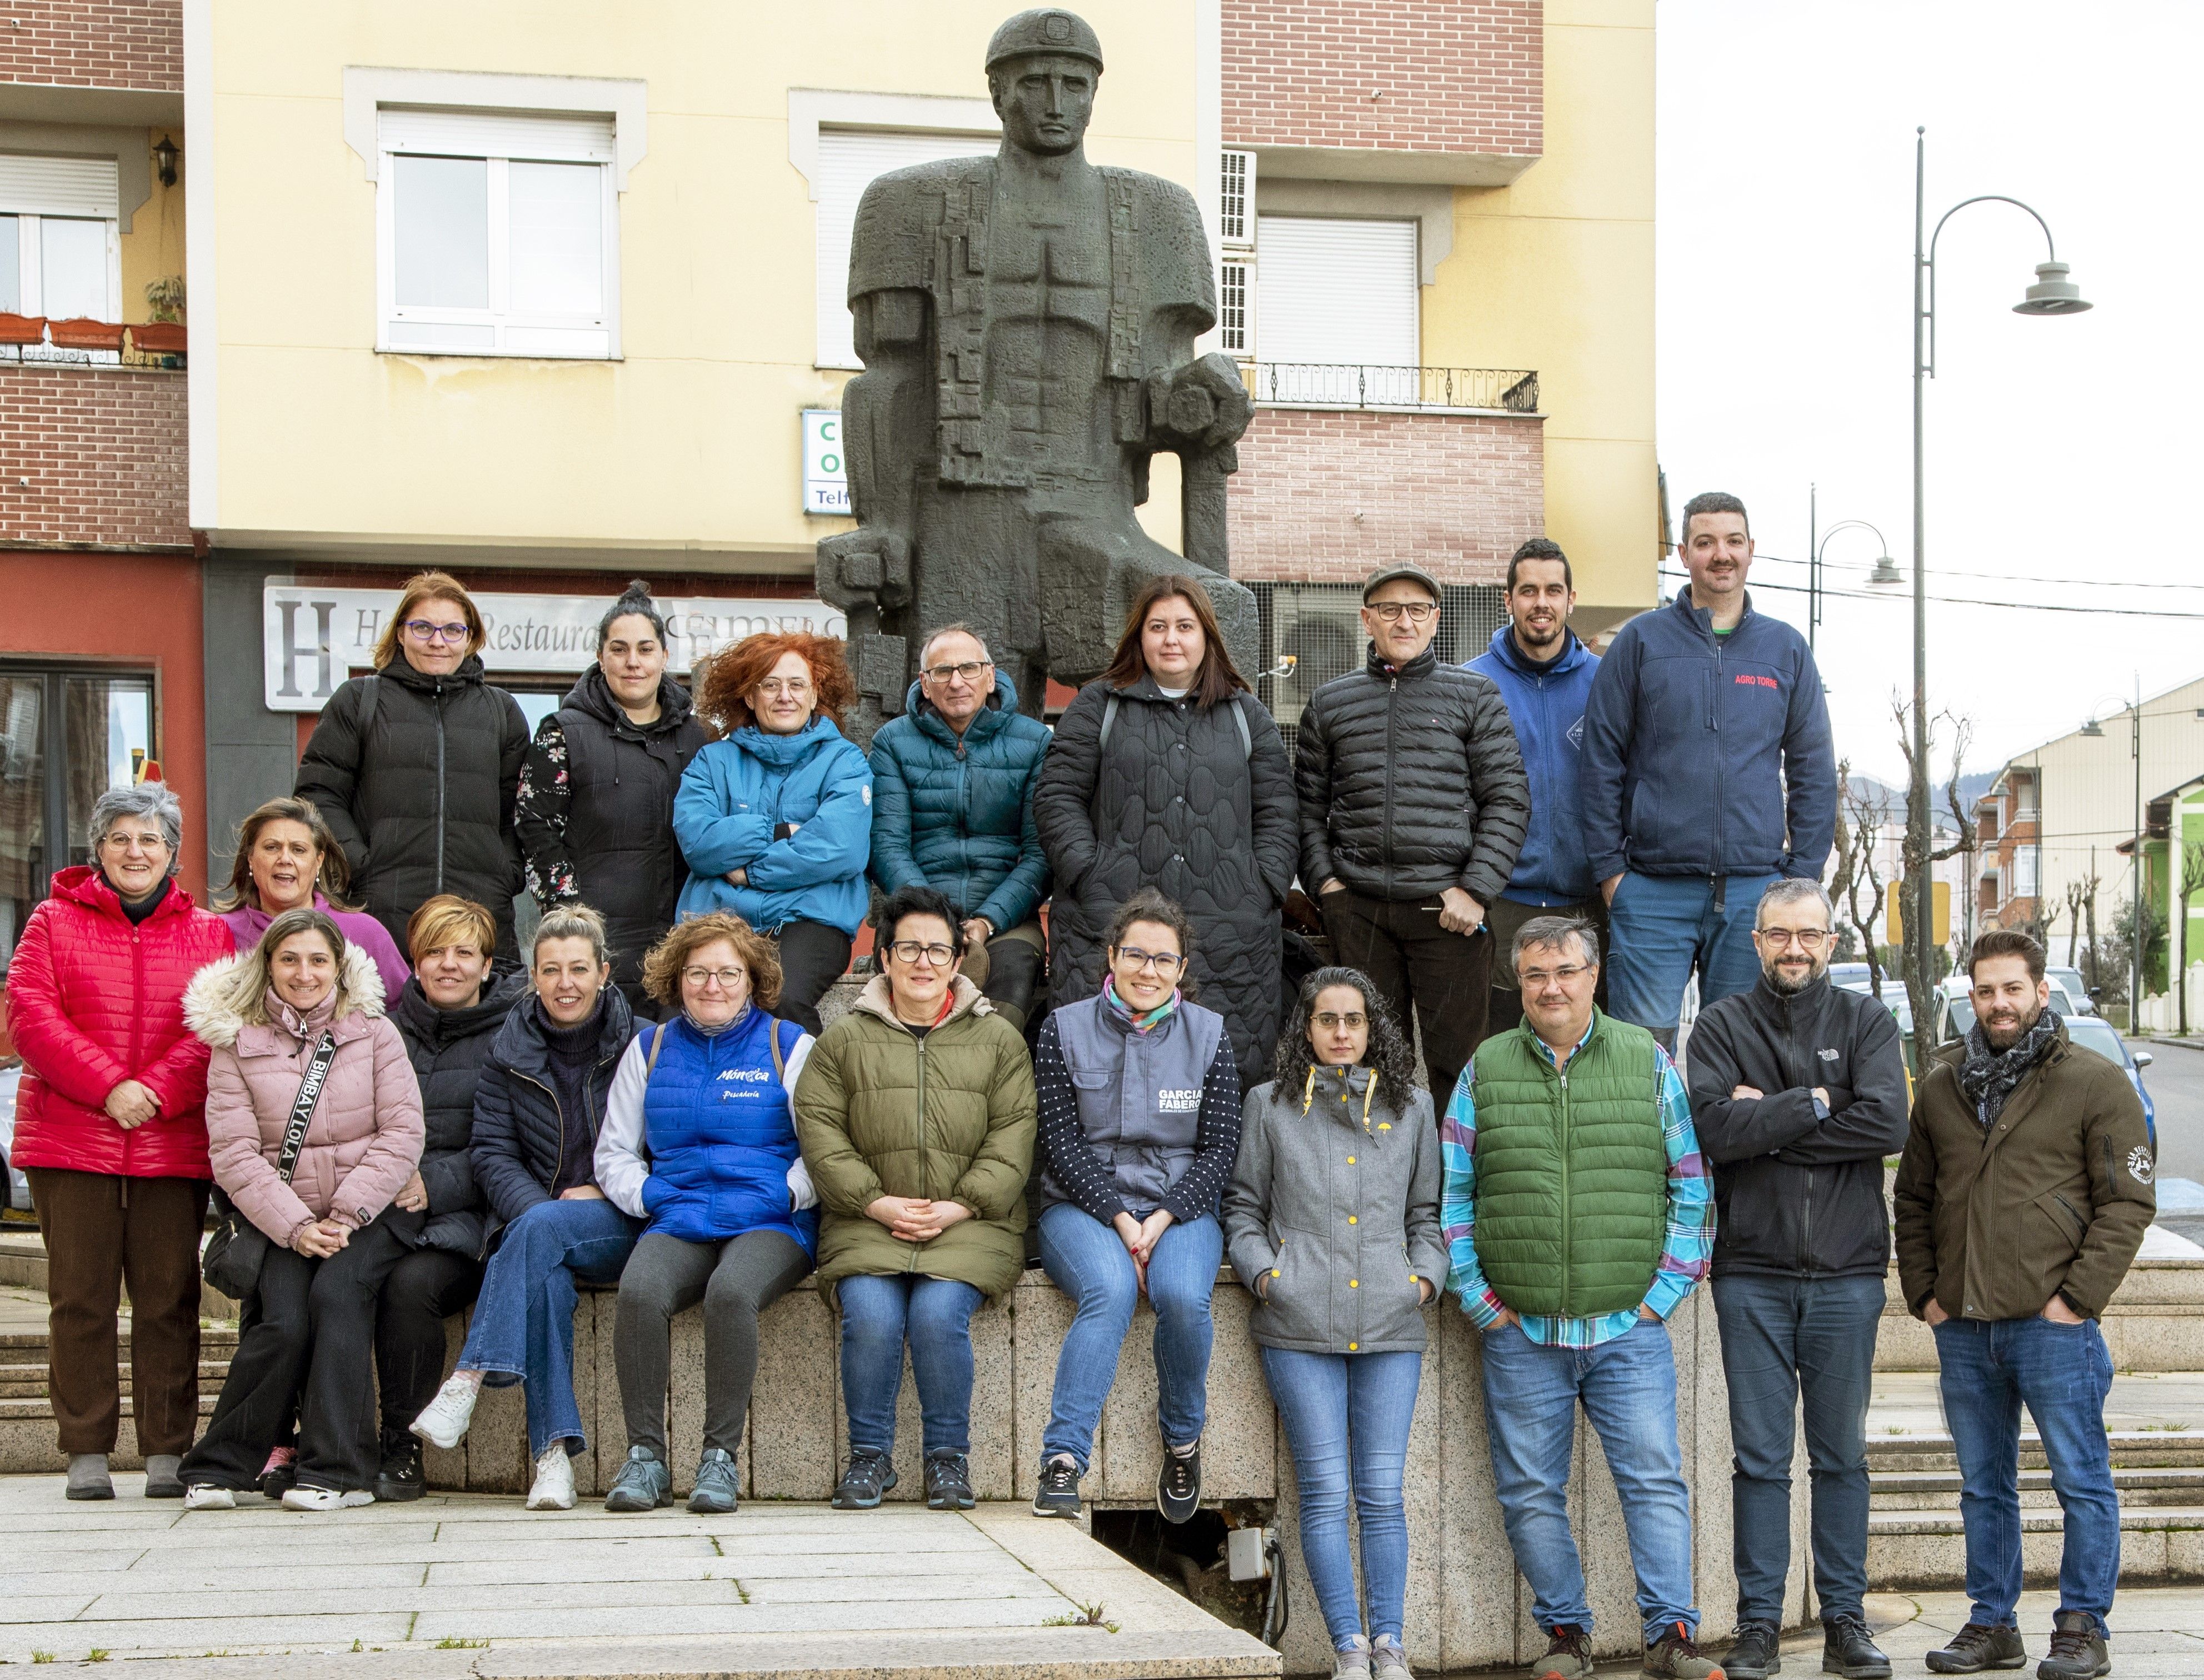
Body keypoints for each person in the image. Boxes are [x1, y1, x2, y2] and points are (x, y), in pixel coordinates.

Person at [1441, 916, 1718, 1680]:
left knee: (1653, 1480)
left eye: (1564, 970)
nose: (1550, 987)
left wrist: (1663, 1294)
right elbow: (1454, 1197)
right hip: (1520, 1330)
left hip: (1626, 1327)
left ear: (1592, 977)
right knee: (1530, 1492)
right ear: (1518, 982)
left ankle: (1671, 1637)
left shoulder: (1644, 1060)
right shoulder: (1486, 1068)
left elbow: (1690, 1185)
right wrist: (1479, 1302)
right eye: (1534, 974)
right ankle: (1565, 1634)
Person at [1895, 929, 2153, 1680]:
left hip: (2052, 1326)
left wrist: (2074, 1300)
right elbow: (1910, 1199)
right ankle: (1990, 1624)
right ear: (1967, 997)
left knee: (2080, 1479)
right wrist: (1924, 1294)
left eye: (2012, 988)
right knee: (1983, 1487)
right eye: (1984, 990)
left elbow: (2127, 1202)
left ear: (2040, 991)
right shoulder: (1941, 1085)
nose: (1998, 1003)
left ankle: (2081, 1628)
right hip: (1963, 1328)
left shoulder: (2093, 1081)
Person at [1683, 880, 1910, 1680]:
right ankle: (1756, 1627)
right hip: (1749, 1275)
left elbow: (1885, 1124)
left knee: (1840, 1455)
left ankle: (1843, 1620)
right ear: (1754, 941)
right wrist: (1819, 1101)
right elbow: (1712, 1129)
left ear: (1830, 941)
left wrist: (1770, 1121)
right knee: (1758, 1459)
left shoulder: (1865, 1021)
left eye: (1808, 935)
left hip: (1847, 1275)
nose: (1794, 949)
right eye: (1779, 935)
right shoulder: (1719, 1025)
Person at [4, 783, 234, 1501]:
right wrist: (110, 1088)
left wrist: (157, 1090)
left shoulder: (209, 934)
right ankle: (86, 1451)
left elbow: (215, 1029)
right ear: (98, 849)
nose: (136, 852)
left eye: (151, 839)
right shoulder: (50, 921)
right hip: (72, 1140)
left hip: (170, 1144)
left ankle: (168, 1449)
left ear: (172, 852)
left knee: (169, 1299)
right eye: (120, 838)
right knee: (80, 1299)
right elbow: (31, 1016)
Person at [1225, 968, 1443, 1680]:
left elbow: (1425, 1216)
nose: (1342, 1034)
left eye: (1354, 1020)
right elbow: (1244, 1209)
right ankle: (1349, 1649)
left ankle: (1391, 1645)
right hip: (1296, 1324)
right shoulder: (1270, 1105)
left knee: (1381, 1493)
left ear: (1373, 1027)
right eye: (1328, 1020)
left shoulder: (1412, 1108)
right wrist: (1267, 1275)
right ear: (1307, 1028)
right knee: (1323, 1492)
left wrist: (1422, 1280)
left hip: (1389, 1323)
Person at [792, 884, 1036, 1513]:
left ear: (958, 960)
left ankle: (947, 1460)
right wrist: (875, 1204)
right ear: (885, 958)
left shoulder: (1000, 1040)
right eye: (908, 949)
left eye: (937, 949)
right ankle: (870, 1458)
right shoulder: (843, 1042)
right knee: (870, 1314)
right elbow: (821, 1134)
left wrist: (962, 1205)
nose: (922, 962)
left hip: (972, 1222)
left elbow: (1014, 1136)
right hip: (865, 1219)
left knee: (935, 1315)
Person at [177, 909, 424, 1511]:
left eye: (318, 960)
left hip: (371, 1211)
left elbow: (402, 1131)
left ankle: (339, 1470)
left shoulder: (374, 1032)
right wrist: (296, 1226)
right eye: (289, 959)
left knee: (336, 1297)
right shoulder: (236, 1042)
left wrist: (343, 1215)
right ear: (268, 966)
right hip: (286, 1220)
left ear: (339, 966)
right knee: (283, 1320)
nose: (304, 973)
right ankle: (219, 1465)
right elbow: (234, 1154)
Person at [1580, 492, 1836, 1046]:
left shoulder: (1785, 649)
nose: (1721, 554)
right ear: (1682, 553)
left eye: (1733, 541)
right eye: (1705, 542)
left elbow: (1814, 771)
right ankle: (1649, 1141)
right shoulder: (1640, 644)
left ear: (1750, 551)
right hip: (1650, 892)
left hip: (1754, 894)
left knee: (1742, 1059)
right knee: (1638, 1061)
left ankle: (1728, 1141)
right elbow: (1600, 760)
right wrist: (1611, 875)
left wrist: (1800, 879)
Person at [407, 906, 639, 1512]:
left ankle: (468, 1379)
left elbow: (663, 1144)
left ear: (604, 973)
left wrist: (608, 1189)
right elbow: (491, 1153)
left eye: (579, 969)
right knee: (544, 1283)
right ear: (532, 976)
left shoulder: (642, 1045)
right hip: (537, 1227)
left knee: (535, 1239)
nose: (566, 983)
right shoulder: (507, 1051)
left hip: (622, 1223)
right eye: (552, 969)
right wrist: (540, 1212)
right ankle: (553, 1460)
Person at [595, 912, 818, 1515]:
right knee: (639, 1294)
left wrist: (786, 1195)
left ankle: (719, 1459)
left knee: (730, 1294)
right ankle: (645, 1459)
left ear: (752, 979)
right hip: (680, 1214)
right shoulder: (650, 1047)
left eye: (727, 973)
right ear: (677, 978)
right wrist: (648, 1197)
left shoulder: (789, 1045)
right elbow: (615, 1151)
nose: (711, 985)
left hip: (771, 1220)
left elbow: (823, 1148)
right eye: (698, 973)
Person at [1034, 576, 1296, 1088]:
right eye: (1157, 627)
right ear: (1139, 636)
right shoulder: (1098, 706)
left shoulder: (1246, 715)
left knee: (1221, 1082)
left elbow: (1279, 810)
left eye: (1184, 626)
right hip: (1106, 922)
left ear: (1207, 637)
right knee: (1102, 1079)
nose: (1170, 639)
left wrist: (1262, 885)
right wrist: (1089, 875)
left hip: (1230, 933)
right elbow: (1056, 796)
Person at [1029, 889, 1239, 1526]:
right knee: (1110, 1289)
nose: (1148, 971)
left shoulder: (1209, 1035)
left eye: (1164, 960)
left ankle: (1182, 1441)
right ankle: (1062, 1461)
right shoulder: (1061, 1028)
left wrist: (1164, 1217)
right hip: (1083, 1206)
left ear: (1181, 970)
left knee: (1180, 1296)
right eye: (1136, 955)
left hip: (1182, 1206)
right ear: (1112, 957)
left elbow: (1221, 1146)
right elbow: (1060, 1142)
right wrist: (1121, 1219)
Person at [1296, 561, 1530, 1100]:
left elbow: (1507, 799)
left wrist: (1475, 891)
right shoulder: (1330, 703)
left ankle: (1454, 1184)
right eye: (1389, 610)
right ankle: (1380, 1182)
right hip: (1359, 911)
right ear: (1366, 620)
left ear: (1434, 620)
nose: (1404, 621)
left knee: (1458, 1067)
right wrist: (1328, 888)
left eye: (1417, 610)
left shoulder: (1474, 696)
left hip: (1447, 913)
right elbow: (1306, 806)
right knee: (1370, 1064)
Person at [371, 894, 530, 1503]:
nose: (449, 965)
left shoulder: (513, 1036)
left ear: (489, 966)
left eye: (465, 953)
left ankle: (399, 1447)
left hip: (468, 1221)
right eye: (435, 952)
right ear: (414, 963)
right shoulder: (382, 1030)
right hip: (379, 1206)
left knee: (411, 1288)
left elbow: (513, 1142)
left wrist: (435, 1184)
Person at [294, 569, 530, 958]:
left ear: (470, 638)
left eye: (452, 630)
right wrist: (361, 867)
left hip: (480, 922)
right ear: (401, 633)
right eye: (423, 628)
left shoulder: (500, 711)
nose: (438, 642)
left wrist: (504, 875)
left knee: (483, 1018)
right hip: (380, 919)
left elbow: (518, 812)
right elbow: (318, 795)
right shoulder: (359, 701)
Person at [516, 581, 710, 1014]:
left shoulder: (698, 737)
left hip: (682, 939)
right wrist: (571, 924)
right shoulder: (562, 732)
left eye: (645, 649)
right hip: (600, 948)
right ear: (601, 658)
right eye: (619, 650)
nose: (633, 662)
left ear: (664, 656)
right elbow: (537, 830)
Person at [674, 631, 872, 1037]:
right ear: (749, 697)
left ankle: (807, 1098)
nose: (785, 696)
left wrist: (750, 872)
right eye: (770, 685)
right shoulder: (712, 762)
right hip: (720, 917)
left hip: (810, 919)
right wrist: (778, 830)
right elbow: (699, 844)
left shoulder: (845, 761)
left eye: (797, 685)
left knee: (782, 998)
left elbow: (841, 848)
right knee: (681, 1011)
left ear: (816, 696)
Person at [867, 623, 1053, 1032]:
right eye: (942, 672)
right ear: (925, 684)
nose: (956, 682)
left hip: (1006, 916)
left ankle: (991, 1077)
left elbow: (1040, 852)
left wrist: (986, 922)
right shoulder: (893, 742)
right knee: (911, 984)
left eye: (969, 669)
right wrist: (933, 919)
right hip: (917, 909)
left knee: (1012, 980)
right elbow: (887, 845)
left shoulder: (1035, 741)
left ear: (990, 677)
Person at [1466, 538, 1605, 1038]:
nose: (1540, 602)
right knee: (1503, 1039)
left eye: (1553, 590)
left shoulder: (1606, 682)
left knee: (1584, 1041)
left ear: (1571, 599)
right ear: (1508, 600)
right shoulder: (1472, 684)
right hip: (1502, 899)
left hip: (1589, 897)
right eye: (1528, 591)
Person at [214, 795, 410, 1004]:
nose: (285, 860)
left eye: (298, 850)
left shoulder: (366, 933)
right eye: (272, 847)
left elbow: (406, 1014)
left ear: (318, 861)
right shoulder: (218, 932)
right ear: (251, 858)